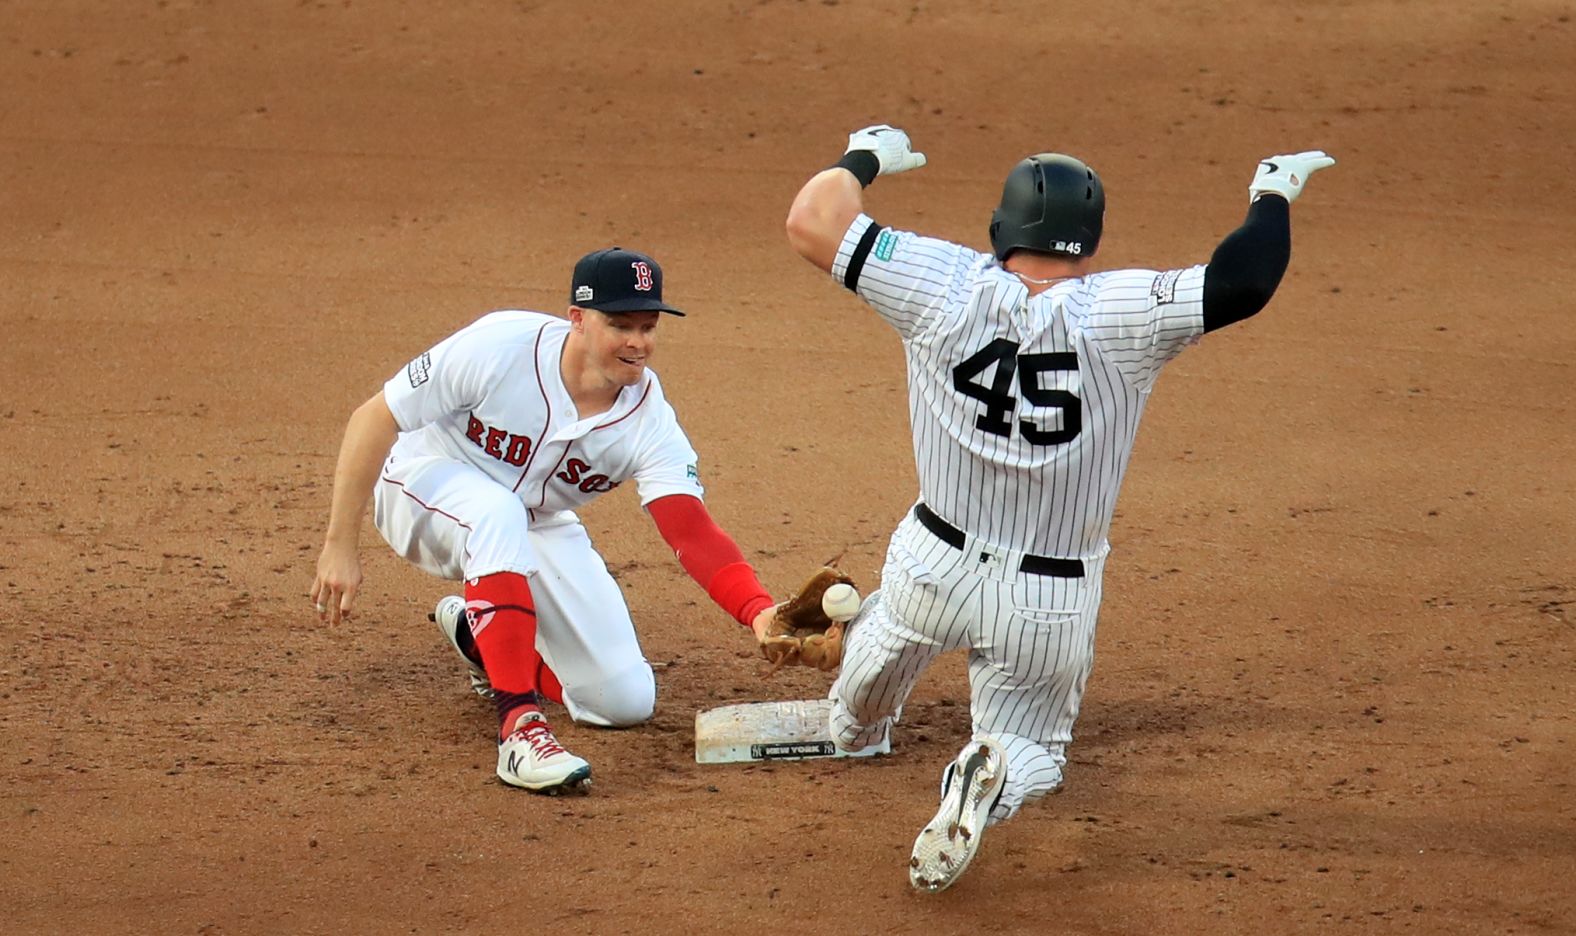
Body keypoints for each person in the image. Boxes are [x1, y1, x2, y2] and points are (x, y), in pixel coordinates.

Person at [784, 125, 1334, 890]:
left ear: (1002, 227)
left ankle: (859, 722)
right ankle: (993, 770)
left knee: (866, 679)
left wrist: (863, 155)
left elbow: (814, 219)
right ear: (1090, 238)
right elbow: (1243, 281)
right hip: (1046, 596)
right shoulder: (1124, 309)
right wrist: (1270, 193)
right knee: (1031, 745)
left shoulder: (936, 279)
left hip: (931, 563)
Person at [310, 247, 784, 795]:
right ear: (577, 319)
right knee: (496, 511)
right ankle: (518, 728)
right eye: (620, 324)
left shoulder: (648, 421)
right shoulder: (500, 346)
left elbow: (691, 530)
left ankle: (478, 634)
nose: (638, 342)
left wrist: (759, 612)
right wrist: (340, 543)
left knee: (623, 701)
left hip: (533, 522)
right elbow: (375, 416)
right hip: (421, 484)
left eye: (648, 326)